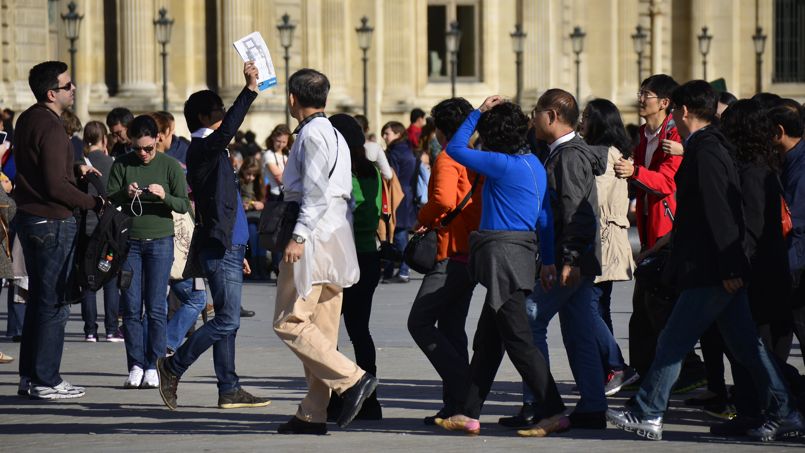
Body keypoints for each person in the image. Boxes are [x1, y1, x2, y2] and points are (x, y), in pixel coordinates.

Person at [606, 80, 804, 442]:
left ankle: (648, 413)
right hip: (716, 267)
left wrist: (729, 267)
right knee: (747, 348)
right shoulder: (708, 147)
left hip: (712, 270)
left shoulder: (706, 149)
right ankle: (786, 411)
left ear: (682, 111)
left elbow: (720, 211)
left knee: (672, 342)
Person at [435, 96, 568, 438]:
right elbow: (544, 218)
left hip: (502, 256)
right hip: (520, 253)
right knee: (488, 340)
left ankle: (553, 410)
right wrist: (549, 260)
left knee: (519, 340)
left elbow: (455, 149)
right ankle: (468, 412)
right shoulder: (533, 165)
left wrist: (476, 113)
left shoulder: (502, 163)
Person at [156, 61, 270, 410]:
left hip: (230, 246)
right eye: (221, 111)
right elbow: (226, 132)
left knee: (226, 321)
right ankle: (173, 365)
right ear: (206, 118)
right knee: (226, 319)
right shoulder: (202, 148)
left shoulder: (213, 150)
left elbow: (227, 203)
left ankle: (229, 388)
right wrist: (250, 91)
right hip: (220, 249)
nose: (225, 116)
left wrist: (242, 246)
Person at [271, 68, 375, 435]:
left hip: (313, 235)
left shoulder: (312, 135)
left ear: (292, 99)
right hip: (336, 235)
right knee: (322, 330)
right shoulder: (335, 134)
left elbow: (313, 194)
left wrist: (297, 237)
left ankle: (352, 378)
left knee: (290, 320)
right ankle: (313, 412)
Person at [510, 88, 610, 431]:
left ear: (551, 115)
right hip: (579, 258)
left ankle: (540, 402)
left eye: (536, 111)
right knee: (579, 331)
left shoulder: (568, 156)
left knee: (529, 320)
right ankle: (593, 406)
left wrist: (568, 259)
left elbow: (576, 213)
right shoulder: (563, 152)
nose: (532, 117)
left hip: (574, 259)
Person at [14, 60, 103, 399]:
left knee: (39, 300)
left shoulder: (28, 118)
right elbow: (54, 185)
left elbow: (45, 173)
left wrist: (73, 169)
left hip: (31, 217)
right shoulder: (52, 127)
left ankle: (29, 376)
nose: (74, 88)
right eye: (68, 85)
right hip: (51, 220)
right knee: (55, 304)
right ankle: (46, 379)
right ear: (52, 93)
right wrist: (91, 201)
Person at [614, 74, 706, 393]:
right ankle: (647, 371)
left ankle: (687, 371)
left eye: (646, 94)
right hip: (650, 227)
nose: (641, 99)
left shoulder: (673, 135)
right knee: (646, 308)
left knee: (655, 306)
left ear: (664, 103)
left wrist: (634, 172)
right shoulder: (643, 133)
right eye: (641, 93)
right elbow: (639, 180)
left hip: (668, 230)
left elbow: (667, 182)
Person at [407, 97, 480, 425]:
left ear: (440, 129)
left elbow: (441, 199)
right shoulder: (476, 155)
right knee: (452, 328)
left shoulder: (449, 156)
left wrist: (422, 217)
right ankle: (456, 405)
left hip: (450, 250)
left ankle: (465, 389)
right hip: (471, 249)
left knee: (419, 322)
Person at [107, 115, 190, 389]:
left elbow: (183, 205)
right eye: (136, 148)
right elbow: (110, 197)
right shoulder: (122, 164)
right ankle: (135, 364)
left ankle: (154, 363)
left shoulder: (170, 166)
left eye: (148, 148)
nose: (142, 154)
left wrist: (163, 195)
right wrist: (125, 193)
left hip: (160, 242)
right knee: (131, 308)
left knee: (156, 307)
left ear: (157, 140)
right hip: (129, 243)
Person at [326, 113, 384, 421]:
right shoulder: (371, 171)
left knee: (329, 331)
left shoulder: (341, 173)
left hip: (343, 258)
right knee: (360, 330)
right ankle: (371, 401)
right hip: (368, 256)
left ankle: (339, 395)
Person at [579, 99, 638, 396]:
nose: (581, 121)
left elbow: (594, 199)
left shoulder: (599, 154)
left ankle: (615, 366)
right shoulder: (617, 151)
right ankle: (611, 371)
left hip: (601, 240)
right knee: (600, 307)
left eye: (586, 116)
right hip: (613, 238)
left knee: (587, 306)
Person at [80, 121, 123, 343]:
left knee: (88, 280)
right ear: (104, 139)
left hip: (86, 229)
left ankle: (89, 330)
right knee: (110, 278)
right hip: (107, 229)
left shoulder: (81, 164)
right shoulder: (112, 163)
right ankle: (111, 328)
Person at [772, 99, 805, 362]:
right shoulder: (786, 160)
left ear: (779, 132)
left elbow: (794, 219)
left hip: (796, 264)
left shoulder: (799, 167)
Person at [382, 121, 416, 283]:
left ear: (397, 134)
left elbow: (389, 176)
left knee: (396, 235)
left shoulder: (393, 153)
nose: (384, 137)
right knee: (399, 233)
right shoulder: (409, 151)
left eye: (387, 133)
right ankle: (397, 269)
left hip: (395, 195)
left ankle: (402, 269)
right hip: (407, 194)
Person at [238, 157, 268, 280]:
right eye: (248, 174)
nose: (251, 177)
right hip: (247, 216)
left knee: (261, 242)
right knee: (253, 240)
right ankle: (254, 270)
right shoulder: (239, 182)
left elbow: (265, 199)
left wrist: (262, 204)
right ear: (243, 171)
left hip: (259, 216)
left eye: (254, 175)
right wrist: (244, 205)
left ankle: (263, 269)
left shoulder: (260, 183)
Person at [355, 114, 392, 182]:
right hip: (371, 189)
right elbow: (388, 174)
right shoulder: (375, 147)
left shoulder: (344, 147)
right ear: (367, 129)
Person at [263, 124, 293, 201]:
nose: (280, 145)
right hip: (276, 195)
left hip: (289, 194)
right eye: (278, 141)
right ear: (273, 138)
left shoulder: (288, 153)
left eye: (284, 142)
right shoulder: (269, 155)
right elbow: (280, 179)